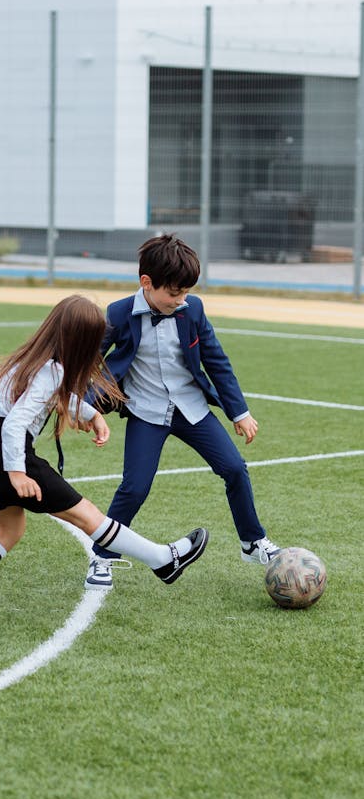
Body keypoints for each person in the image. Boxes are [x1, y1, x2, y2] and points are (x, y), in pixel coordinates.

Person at [0, 294, 208, 617]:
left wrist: (91, 414)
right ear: (79, 342)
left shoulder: (35, 361)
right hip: (9, 452)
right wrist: (17, 473)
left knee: (10, 530)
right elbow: (15, 424)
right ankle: (162, 559)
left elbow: (52, 399)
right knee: (87, 514)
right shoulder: (50, 370)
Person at [85, 233, 279, 591]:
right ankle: (102, 556)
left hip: (190, 408)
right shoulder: (119, 313)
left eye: (186, 292)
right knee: (135, 487)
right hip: (146, 411)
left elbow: (216, 361)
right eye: (174, 293)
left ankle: (252, 542)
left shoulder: (193, 310)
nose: (181, 300)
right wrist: (83, 408)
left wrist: (239, 412)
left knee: (235, 468)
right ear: (147, 282)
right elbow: (90, 361)